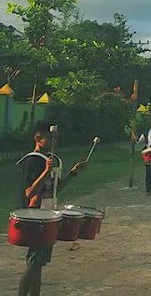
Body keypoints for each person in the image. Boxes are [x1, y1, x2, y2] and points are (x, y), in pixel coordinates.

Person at [17, 125, 88, 296]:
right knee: (33, 262)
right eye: (49, 138)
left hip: (48, 214)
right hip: (35, 215)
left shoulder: (49, 159)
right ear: (38, 139)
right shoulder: (32, 160)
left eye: (53, 139)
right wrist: (46, 171)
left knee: (39, 263)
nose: (52, 142)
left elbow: (54, 189)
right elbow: (29, 192)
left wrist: (73, 173)